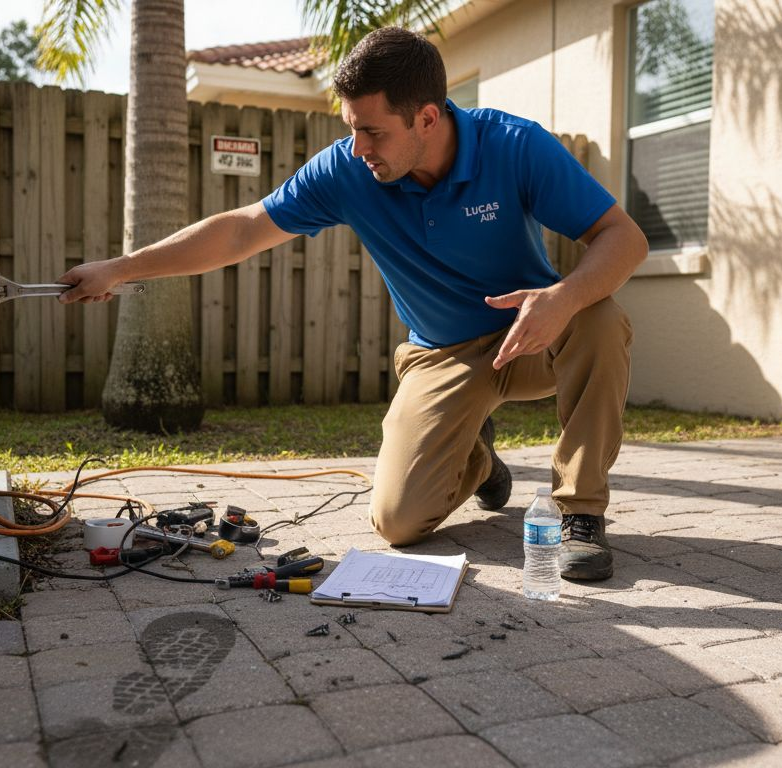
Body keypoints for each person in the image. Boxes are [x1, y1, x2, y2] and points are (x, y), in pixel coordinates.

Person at [57, 27, 647, 580]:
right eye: (351, 129)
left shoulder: (514, 146)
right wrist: (121, 268)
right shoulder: (347, 169)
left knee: (598, 316)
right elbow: (241, 230)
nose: (358, 146)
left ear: (427, 117)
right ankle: (478, 460)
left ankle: (580, 513)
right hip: (442, 354)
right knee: (398, 522)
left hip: (532, 334)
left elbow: (623, 237)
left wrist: (562, 297)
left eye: (373, 131)